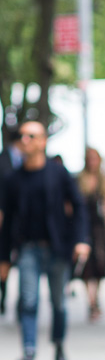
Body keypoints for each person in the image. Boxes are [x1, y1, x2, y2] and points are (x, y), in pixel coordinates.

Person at [0, 121, 90, 360]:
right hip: (28, 249)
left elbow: (79, 207)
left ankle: (59, 346)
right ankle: (28, 354)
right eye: (21, 136)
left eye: (31, 136)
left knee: (59, 304)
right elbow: (5, 223)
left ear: (42, 142)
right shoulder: (12, 180)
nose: (24, 140)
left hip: (57, 248)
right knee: (28, 302)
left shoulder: (58, 174)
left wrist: (81, 239)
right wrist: (3, 258)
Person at [77, 147, 105, 320]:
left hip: (99, 227)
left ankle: (95, 297)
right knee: (87, 266)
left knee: (100, 263)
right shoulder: (80, 180)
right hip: (84, 225)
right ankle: (91, 300)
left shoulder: (103, 180)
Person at [0, 127, 23, 315]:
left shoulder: (27, 159)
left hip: (22, 220)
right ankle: (4, 296)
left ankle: (21, 298)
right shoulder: (4, 160)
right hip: (6, 216)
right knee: (4, 257)